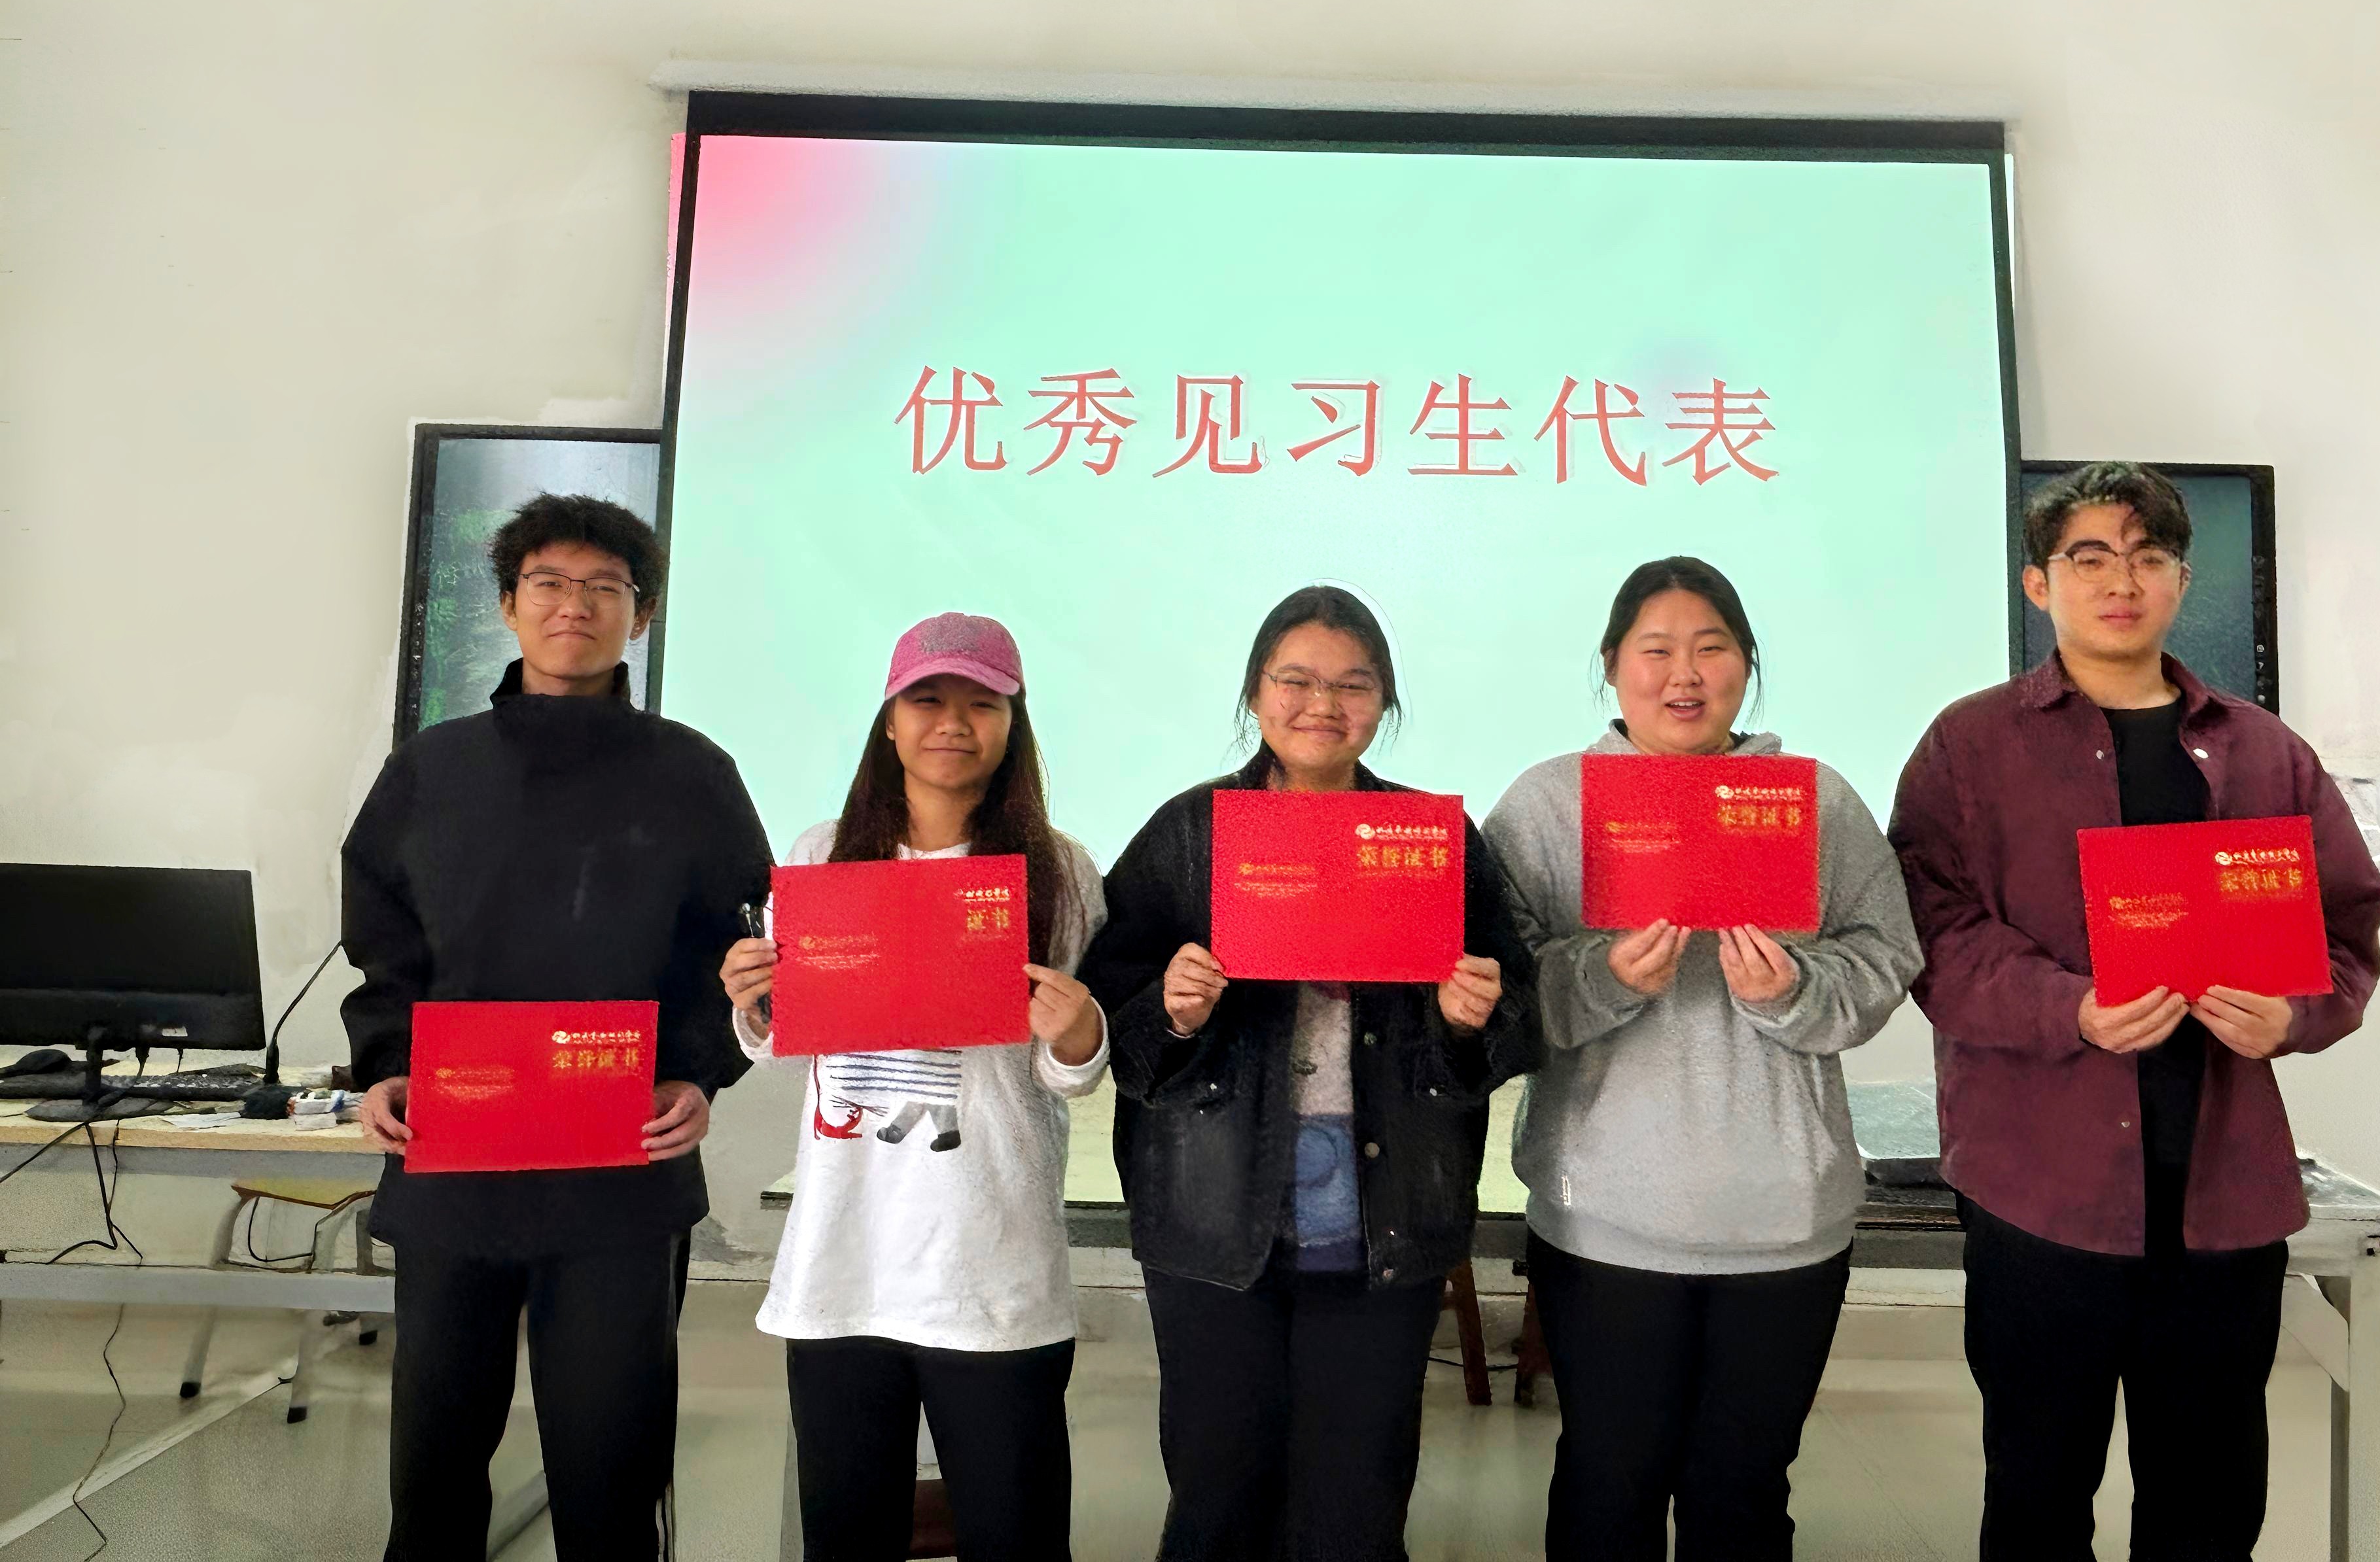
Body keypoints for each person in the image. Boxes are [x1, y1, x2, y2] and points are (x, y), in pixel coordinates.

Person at [1888, 461, 2380, 1562]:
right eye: (2091, 558)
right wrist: (2069, 1007)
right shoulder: (1970, 747)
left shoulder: (2265, 752)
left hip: (2223, 1189)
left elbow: (2343, 926)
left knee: (2209, 1500)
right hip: (2040, 1187)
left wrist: (2295, 1016)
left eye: (2149, 556)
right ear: (2039, 583)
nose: (2122, 581)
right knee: (2037, 1490)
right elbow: (1935, 931)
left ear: (2180, 581)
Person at [341, 493, 769, 1561]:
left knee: (612, 1473)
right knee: (433, 1470)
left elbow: (743, 949)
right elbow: (385, 945)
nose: (574, 605)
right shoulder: (431, 770)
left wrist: (698, 1073)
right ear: (508, 605)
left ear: (641, 615)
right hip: (456, 1151)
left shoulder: (694, 773)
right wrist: (386, 1066)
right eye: (548, 583)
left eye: (603, 587)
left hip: (620, 1163)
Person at [1077, 585, 1541, 1562]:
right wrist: (1171, 1007)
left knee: (1357, 1501)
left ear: (1385, 702)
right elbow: (1107, 1013)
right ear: (1255, 693)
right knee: (1217, 1491)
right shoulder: (1189, 832)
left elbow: (1516, 1019)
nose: (1322, 705)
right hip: (1212, 1208)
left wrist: (1469, 1019)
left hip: (1387, 1205)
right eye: (1295, 680)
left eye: (1353, 684)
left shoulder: (1433, 841)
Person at [1482, 556, 1923, 1562]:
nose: (1685, 675)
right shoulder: (1549, 806)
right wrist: (1602, 977)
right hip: (1603, 1223)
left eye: (1712, 648)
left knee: (1744, 1492)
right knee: (1608, 1484)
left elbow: (1886, 956)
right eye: (1656, 651)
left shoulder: (1815, 803)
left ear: (1747, 665)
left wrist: (1793, 990)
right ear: (1611, 665)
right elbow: (1499, 992)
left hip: (1785, 1224)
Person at [718, 613, 1109, 1562]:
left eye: (983, 704)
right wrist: (754, 1000)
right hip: (843, 1260)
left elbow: (1069, 1075)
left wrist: (1080, 1033)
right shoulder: (822, 854)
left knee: (1016, 1537)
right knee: (846, 1535)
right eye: (927, 699)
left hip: (995, 1264)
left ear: (1013, 725)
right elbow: (784, 1042)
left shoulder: (1058, 870)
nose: (953, 723)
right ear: (889, 721)